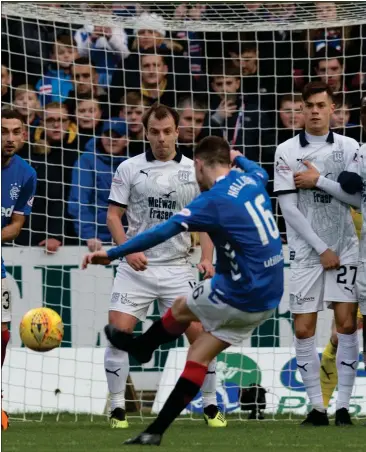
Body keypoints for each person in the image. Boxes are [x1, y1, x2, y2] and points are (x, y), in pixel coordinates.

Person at [82, 136, 284, 445]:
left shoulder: (212, 200)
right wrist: (238, 156)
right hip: (269, 296)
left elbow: (162, 231)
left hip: (240, 292)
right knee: (198, 354)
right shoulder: (251, 179)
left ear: (199, 165)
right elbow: (261, 170)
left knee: (179, 307)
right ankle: (155, 431)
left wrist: (111, 253)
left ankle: (142, 348)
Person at [83, 104, 225, 430]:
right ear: (146, 133)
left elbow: (205, 222)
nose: (161, 138)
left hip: (178, 267)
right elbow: (113, 217)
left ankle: (211, 405)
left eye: (167, 131)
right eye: (154, 132)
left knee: (203, 337)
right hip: (137, 270)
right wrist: (125, 253)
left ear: (178, 131)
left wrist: (207, 259)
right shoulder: (129, 168)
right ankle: (118, 409)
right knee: (118, 334)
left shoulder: (195, 169)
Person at [274, 81, 360, 426]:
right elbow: (288, 208)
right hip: (308, 254)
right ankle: (316, 407)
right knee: (304, 329)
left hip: (347, 249)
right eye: (308, 105)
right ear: (301, 110)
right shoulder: (285, 150)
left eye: (321, 105)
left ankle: (342, 407)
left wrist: (320, 180)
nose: (313, 111)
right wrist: (321, 248)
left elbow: (358, 199)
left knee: (347, 326)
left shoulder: (351, 147)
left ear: (332, 109)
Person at [292, 97, 366, 396]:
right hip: (355, 248)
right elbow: (353, 191)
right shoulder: (359, 153)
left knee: (346, 329)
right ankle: (325, 395)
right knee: (345, 329)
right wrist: (322, 181)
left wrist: (319, 180)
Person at [1, 110, 37, 371]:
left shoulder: (26, 174)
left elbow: (15, 226)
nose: (9, 138)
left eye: (15, 132)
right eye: (3, 131)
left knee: (3, 332)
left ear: (24, 136)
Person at [68, 119, 128, 251]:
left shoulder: (133, 163)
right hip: (95, 240)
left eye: (117, 136)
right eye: (107, 135)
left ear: (127, 140)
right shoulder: (87, 160)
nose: (112, 140)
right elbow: (79, 200)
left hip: (128, 238)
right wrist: (89, 235)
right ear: (101, 136)